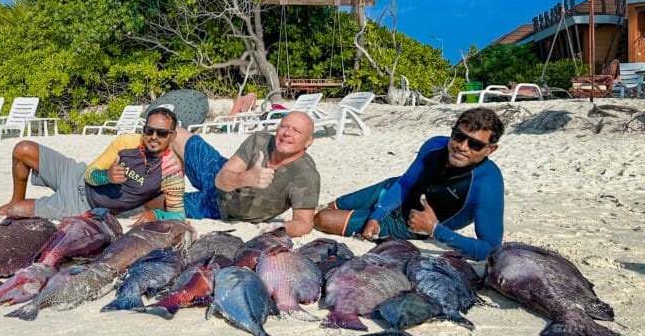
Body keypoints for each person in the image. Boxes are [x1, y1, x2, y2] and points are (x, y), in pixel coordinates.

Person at [313, 106, 505, 261]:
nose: (462, 147)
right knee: (333, 206)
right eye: (458, 136)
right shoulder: (435, 145)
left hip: (409, 224)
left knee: (322, 219)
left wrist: (434, 229)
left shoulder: (488, 182)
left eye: (475, 145)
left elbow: (490, 249)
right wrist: (377, 215)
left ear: (491, 149)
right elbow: (405, 183)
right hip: (392, 191)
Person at [0, 108, 185, 224]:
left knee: (15, 211)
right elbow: (89, 174)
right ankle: (14, 198)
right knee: (23, 149)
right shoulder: (127, 141)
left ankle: (14, 205)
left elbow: (178, 215)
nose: (153, 137)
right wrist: (106, 176)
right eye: (149, 130)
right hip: (74, 174)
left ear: (173, 136)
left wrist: (156, 214)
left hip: (82, 205)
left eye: (161, 133)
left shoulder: (171, 172)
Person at [168, 111, 320, 238]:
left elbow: (304, 223)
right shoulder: (260, 141)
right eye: (284, 126)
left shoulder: (306, 175)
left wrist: (282, 228)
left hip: (218, 207)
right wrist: (247, 178)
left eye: (296, 131)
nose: (287, 133)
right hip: (216, 171)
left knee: (159, 201)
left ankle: (167, 193)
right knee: (174, 133)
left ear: (308, 141)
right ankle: (171, 184)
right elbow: (220, 179)